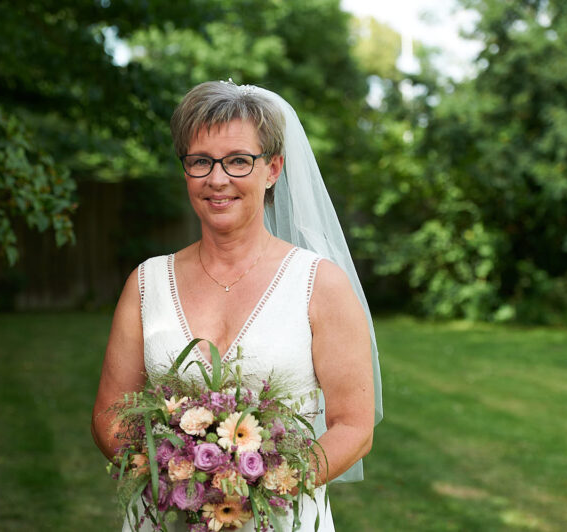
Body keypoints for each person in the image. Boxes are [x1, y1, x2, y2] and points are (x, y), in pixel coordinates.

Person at [91, 80, 383, 531]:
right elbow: (109, 415)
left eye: (238, 161)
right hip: (170, 518)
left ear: (273, 169)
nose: (217, 179)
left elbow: (353, 427)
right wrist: (174, 479)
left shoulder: (320, 284)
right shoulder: (146, 283)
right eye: (200, 161)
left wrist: (260, 489)